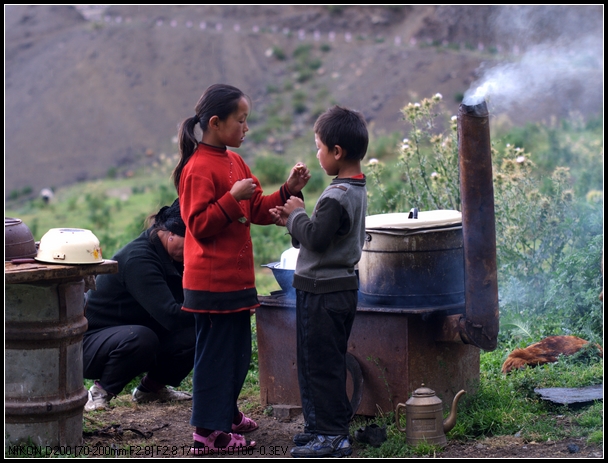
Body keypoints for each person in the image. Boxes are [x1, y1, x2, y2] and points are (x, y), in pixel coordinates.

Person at [172, 83, 311, 454]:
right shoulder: (197, 169)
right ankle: (207, 433)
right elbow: (198, 226)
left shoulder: (234, 161)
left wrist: (285, 191)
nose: (246, 128)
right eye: (241, 120)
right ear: (216, 123)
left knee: (234, 352)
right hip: (211, 283)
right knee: (217, 355)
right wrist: (231, 199)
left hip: (234, 282)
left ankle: (226, 414)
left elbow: (257, 210)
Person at [270, 105, 368, 458]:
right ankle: (319, 430)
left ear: (336, 152)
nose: (317, 154)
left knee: (320, 366)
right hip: (341, 289)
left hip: (323, 295)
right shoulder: (353, 189)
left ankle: (332, 437)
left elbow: (317, 238)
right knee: (323, 362)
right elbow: (323, 234)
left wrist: (296, 216)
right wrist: (293, 220)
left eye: (319, 147)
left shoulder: (336, 195)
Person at [82, 198, 195, 412]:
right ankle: (99, 393)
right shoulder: (139, 259)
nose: (194, 250)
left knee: (195, 331)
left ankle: (151, 390)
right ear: (171, 234)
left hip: (131, 331)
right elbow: (171, 315)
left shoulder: (173, 256)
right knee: (142, 337)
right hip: (91, 343)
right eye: (190, 242)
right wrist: (214, 307)